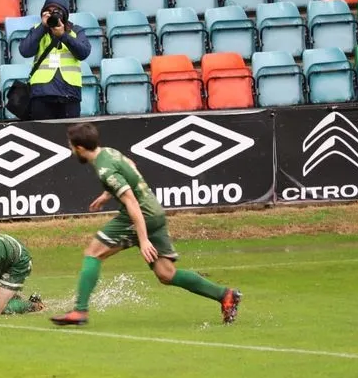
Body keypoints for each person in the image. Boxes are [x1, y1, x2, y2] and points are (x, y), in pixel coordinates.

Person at [50, 122, 242, 327]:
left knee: (93, 253)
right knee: (166, 274)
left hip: (141, 215)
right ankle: (225, 295)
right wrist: (107, 194)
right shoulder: (109, 152)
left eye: (71, 146)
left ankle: (80, 310)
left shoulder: (104, 169)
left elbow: (132, 202)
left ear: (80, 148)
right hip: (154, 211)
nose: (71, 150)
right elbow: (130, 166)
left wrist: (143, 240)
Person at [18, 0, 91, 121]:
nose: (53, 15)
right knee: (41, 132)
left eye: (57, 11)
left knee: (70, 131)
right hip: (42, 92)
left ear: (64, 14)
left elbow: (83, 53)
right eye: (49, 11)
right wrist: (42, 27)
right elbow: (25, 51)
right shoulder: (37, 29)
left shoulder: (76, 31)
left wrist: (63, 35)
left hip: (69, 91)